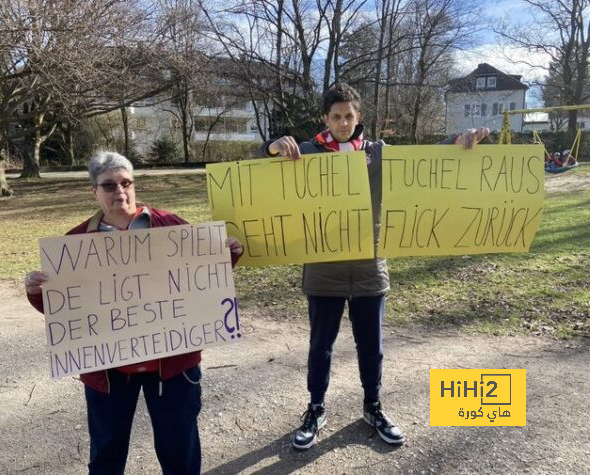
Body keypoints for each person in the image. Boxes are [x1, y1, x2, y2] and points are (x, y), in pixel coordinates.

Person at [257, 83, 489, 450]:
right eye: (336, 116)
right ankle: (316, 408)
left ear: (359, 117)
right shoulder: (304, 153)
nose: (343, 123)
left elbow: (425, 161)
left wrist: (459, 139)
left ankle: (373, 406)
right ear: (325, 119)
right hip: (323, 268)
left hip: (369, 267)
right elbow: (253, 172)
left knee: (372, 345)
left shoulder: (378, 153)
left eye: (349, 116)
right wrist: (270, 146)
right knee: (321, 346)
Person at [25, 151, 243, 475]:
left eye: (126, 183)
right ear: (94, 192)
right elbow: (66, 310)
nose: (120, 192)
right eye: (109, 185)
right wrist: (36, 292)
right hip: (109, 373)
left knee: (179, 450)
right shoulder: (74, 245)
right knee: (107, 454)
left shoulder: (172, 228)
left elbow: (201, 283)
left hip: (172, 367)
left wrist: (227, 257)